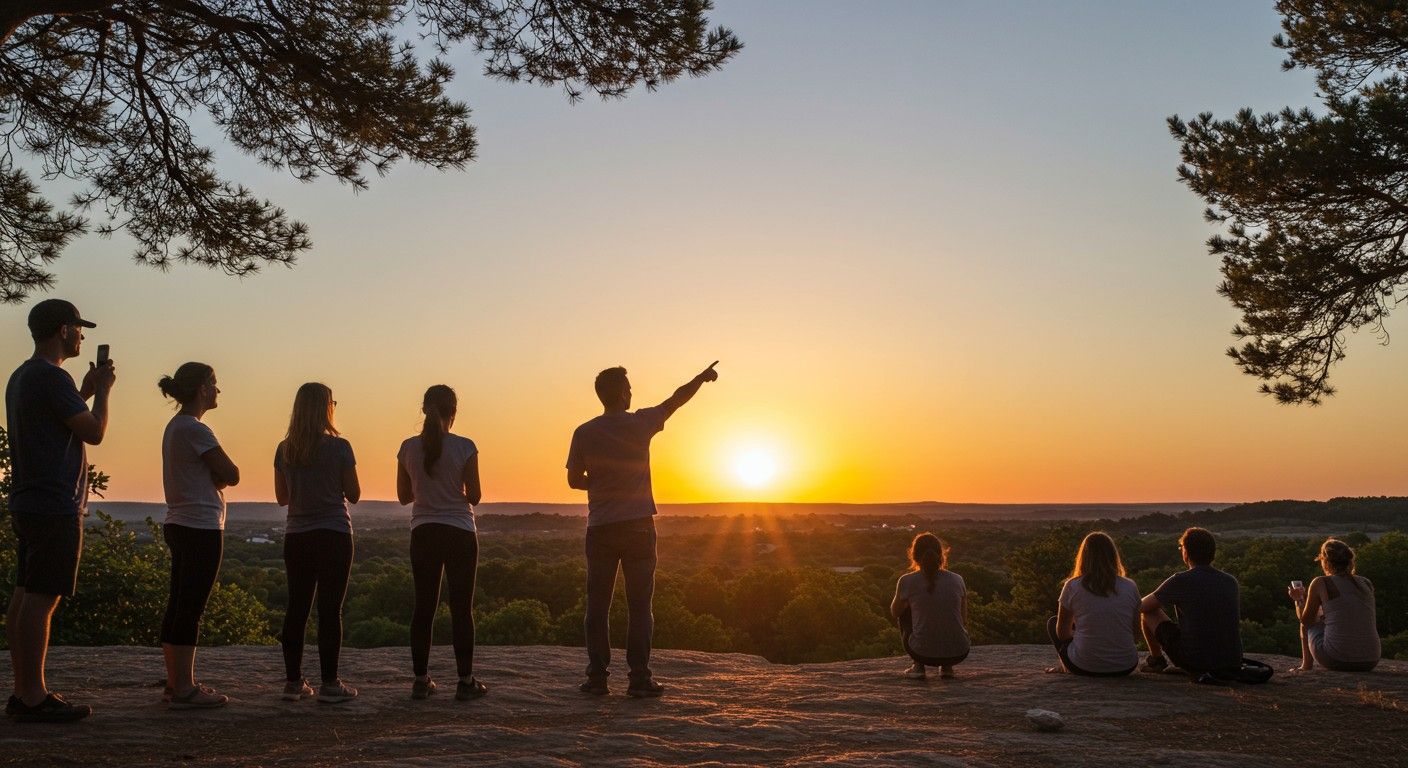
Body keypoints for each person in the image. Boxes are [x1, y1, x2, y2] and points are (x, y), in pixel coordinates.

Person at [567, 362, 719, 697]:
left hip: (602, 528)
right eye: (629, 387)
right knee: (639, 606)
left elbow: (574, 480)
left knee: (597, 605)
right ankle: (639, 679)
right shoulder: (640, 422)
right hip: (638, 527)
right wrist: (701, 378)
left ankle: (597, 679)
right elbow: (676, 400)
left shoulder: (584, 432)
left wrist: (602, 482)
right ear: (622, 393)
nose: (632, 392)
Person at [5, 299, 113, 723]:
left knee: (24, 596)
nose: (82, 336)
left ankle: (23, 691)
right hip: (54, 503)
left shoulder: (24, 375)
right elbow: (95, 432)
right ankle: (33, 696)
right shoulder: (52, 376)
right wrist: (102, 393)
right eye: (78, 328)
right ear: (63, 330)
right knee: (41, 600)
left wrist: (82, 392)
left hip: (29, 500)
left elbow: (58, 419)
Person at [159, 362, 240, 709]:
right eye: (215, 383)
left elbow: (219, 475)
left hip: (179, 522)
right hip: (200, 525)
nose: (218, 390)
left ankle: (176, 682)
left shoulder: (176, 427)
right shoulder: (196, 429)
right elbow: (231, 474)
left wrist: (216, 475)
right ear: (203, 389)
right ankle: (185, 688)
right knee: (191, 606)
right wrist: (219, 476)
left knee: (179, 602)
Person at [397, 385, 485, 701]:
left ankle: (421, 681)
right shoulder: (465, 447)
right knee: (462, 609)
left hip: (424, 532)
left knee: (424, 607)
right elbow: (474, 496)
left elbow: (404, 496)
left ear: (424, 410)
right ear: (454, 412)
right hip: (460, 531)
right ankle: (466, 681)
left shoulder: (407, 448)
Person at [275, 383, 360, 702]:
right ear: (326, 408)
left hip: (297, 536)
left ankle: (293, 683)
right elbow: (354, 494)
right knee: (330, 610)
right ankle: (330, 684)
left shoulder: (284, 449)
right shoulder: (341, 448)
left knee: (296, 608)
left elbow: (282, 498)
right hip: (334, 535)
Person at [1140, 527, 1242, 680]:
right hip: (1231, 661)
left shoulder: (1181, 580)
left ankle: (1157, 662)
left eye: (1182, 548)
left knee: (1149, 613)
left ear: (1186, 553)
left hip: (1196, 661)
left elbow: (1142, 606)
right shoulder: (1230, 581)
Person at [1047, 532, 1140, 677]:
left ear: (1083, 557)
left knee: (1054, 623)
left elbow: (1062, 634)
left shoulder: (1072, 586)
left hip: (1083, 666)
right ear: (1113, 556)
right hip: (1126, 666)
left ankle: (1065, 666)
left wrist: (1081, 635)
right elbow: (1136, 634)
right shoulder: (1130, 586)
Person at [1288, 538, 1380, 673]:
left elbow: (1306, 620)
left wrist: (1299, 599)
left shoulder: (1321, 582)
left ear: (1325, 560)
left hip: (1337, 659)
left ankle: (1306, 666)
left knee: (1309, 622)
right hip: (1371, 660)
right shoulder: (1366, 583)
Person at [889, 532, 969, 680]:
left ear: (914, 556)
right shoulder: (958, 579)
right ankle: (947, 668)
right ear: (940, 555)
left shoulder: (907, 581)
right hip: (959, 651)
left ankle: (918, 667)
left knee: (904, 613)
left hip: (921, 652)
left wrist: (912, 602)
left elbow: (895, 612)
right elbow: (963, 619)